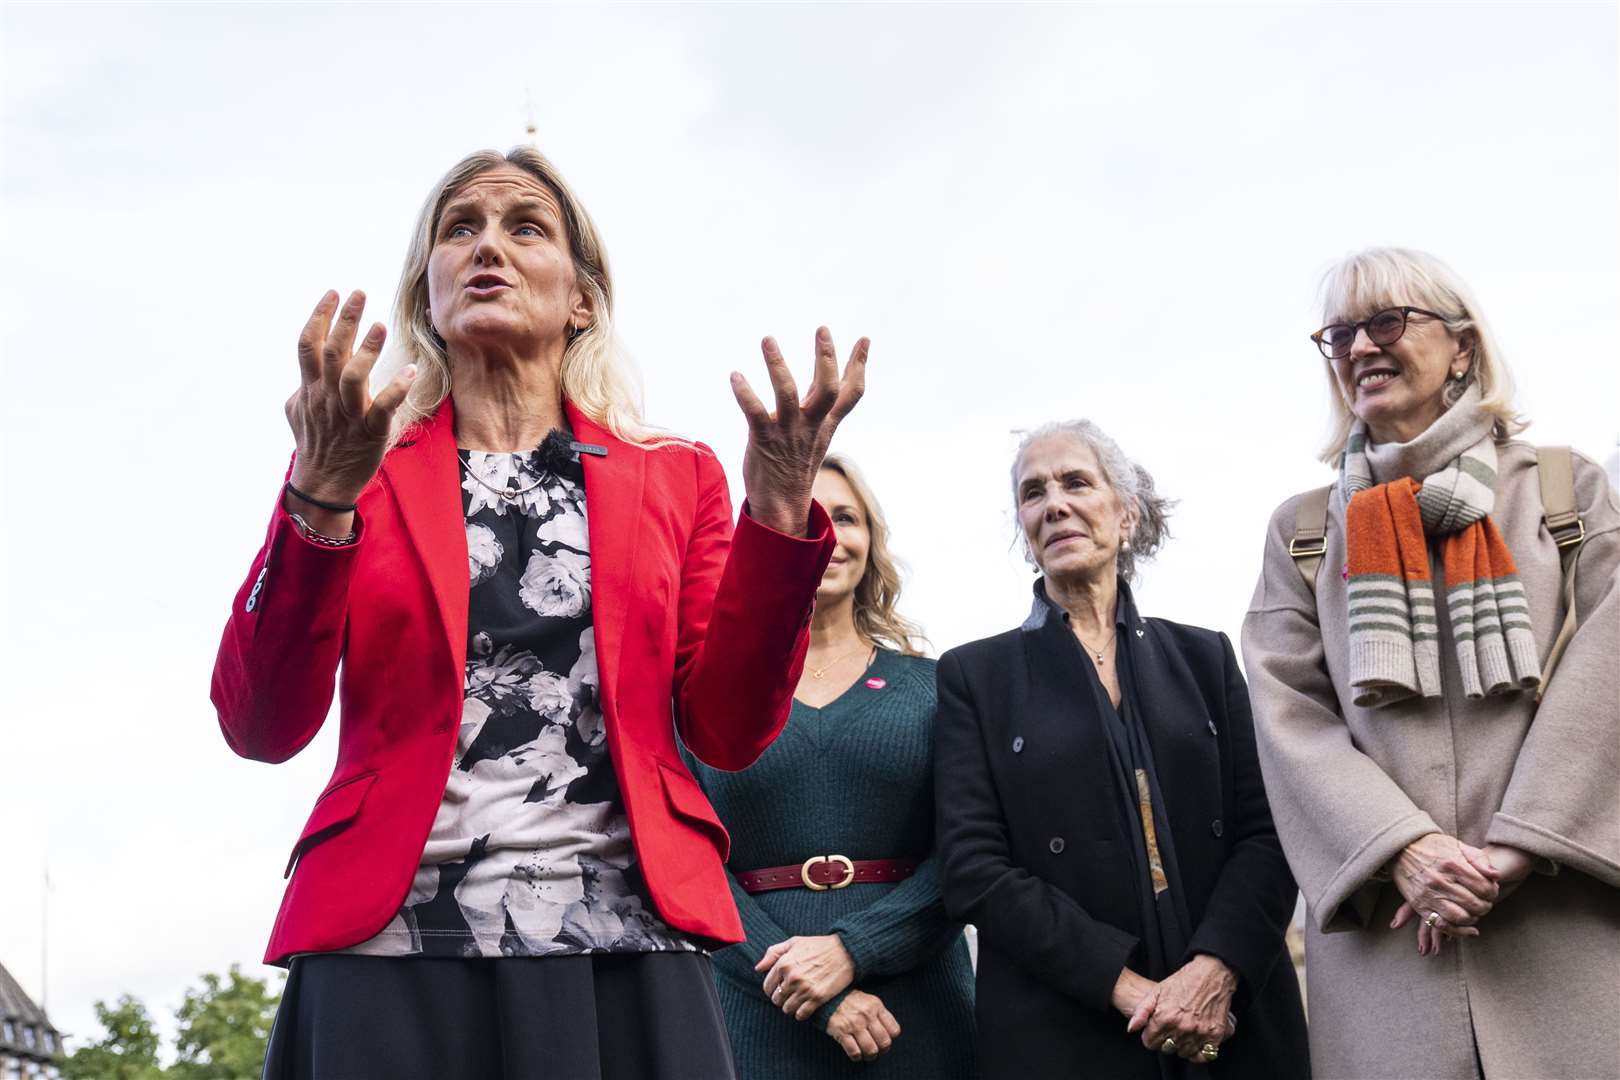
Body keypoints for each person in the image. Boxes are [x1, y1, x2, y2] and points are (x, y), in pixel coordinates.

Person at [210, 146, 868, 1080]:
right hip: (387, 941)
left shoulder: (674, 475)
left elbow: (725, 730)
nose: (489, 248)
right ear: (425, 294)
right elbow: (260, 725)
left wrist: (778, 512)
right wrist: (317, 495)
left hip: (622, 934)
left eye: (526, 227)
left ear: (582, 297)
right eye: (459, 229)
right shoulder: (360, 467)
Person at [1241, 246, 1619, 1079]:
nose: (1360, 349)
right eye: (1339, 335)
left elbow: (1610, 671)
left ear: (1463, 347)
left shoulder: (1566, 490)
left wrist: (1520, 846)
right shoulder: (1302, 531)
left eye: (1386, 322)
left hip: (1560, 924)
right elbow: (1286, 713)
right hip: (1392, 943)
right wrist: (1404, 849)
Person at [934, 421, 1308, 1079]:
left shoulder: (1206, 657)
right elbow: (973, 868)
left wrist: (1215, 970)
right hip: (1064, 1030)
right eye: (1033, 492)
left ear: (1126, 512)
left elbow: (1269, 830)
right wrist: (1131, 989)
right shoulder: (976, 676)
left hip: (1231, 1021)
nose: (1054, 504)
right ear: (1024, 528)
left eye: (1077, 481)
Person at [685, 454, 976, 1078]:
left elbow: (970, 853)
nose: (829, 534)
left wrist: (855, 948)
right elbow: (689, 864)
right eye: (806, 517)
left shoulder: (939, 688)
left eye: (846, 517)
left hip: (917, 1007)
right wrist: (803, 986)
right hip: (756, 1006)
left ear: (870, 541)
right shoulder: (706, 697)